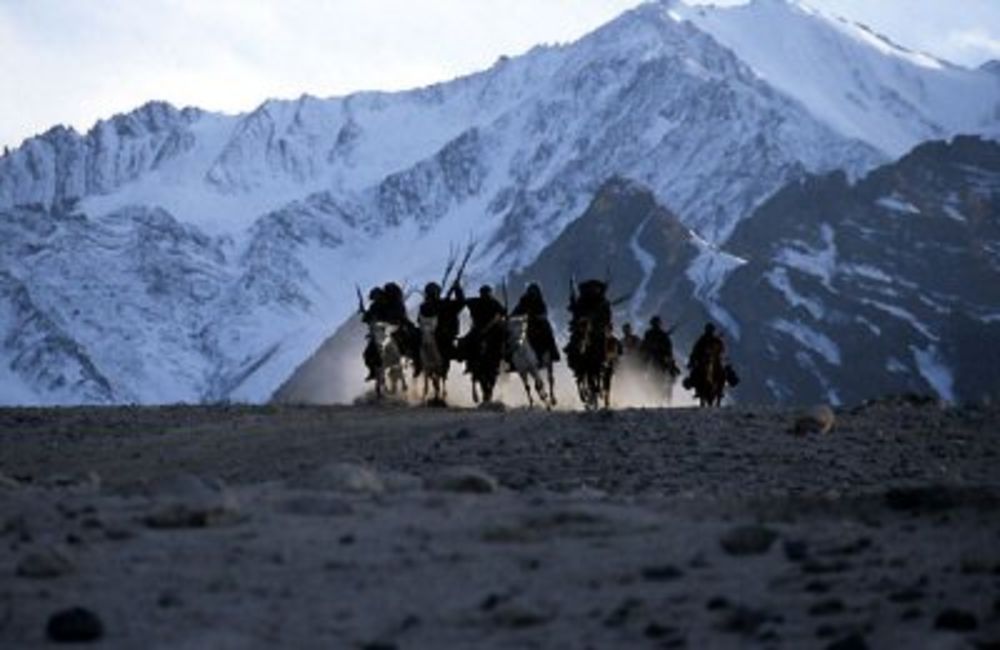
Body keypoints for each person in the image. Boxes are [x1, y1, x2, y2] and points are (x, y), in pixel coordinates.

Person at [418, 281, 466, 372]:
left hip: (431, 338)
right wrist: (457, 289)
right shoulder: (444, 304)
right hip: (444, 338)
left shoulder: (424, 306)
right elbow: (461, 303)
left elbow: (420, 320)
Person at [511, 283, 560, 362]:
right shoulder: (524, 300)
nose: (532, 292)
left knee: (548, 334)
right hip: (527, 323)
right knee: (517, 337)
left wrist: (538, 316)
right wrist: (511, 317)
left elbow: (544, 313)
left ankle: (552, 354)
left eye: (533, 290)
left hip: (538, 323)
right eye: (531, 290)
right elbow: (517, 311)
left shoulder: (539, 300)